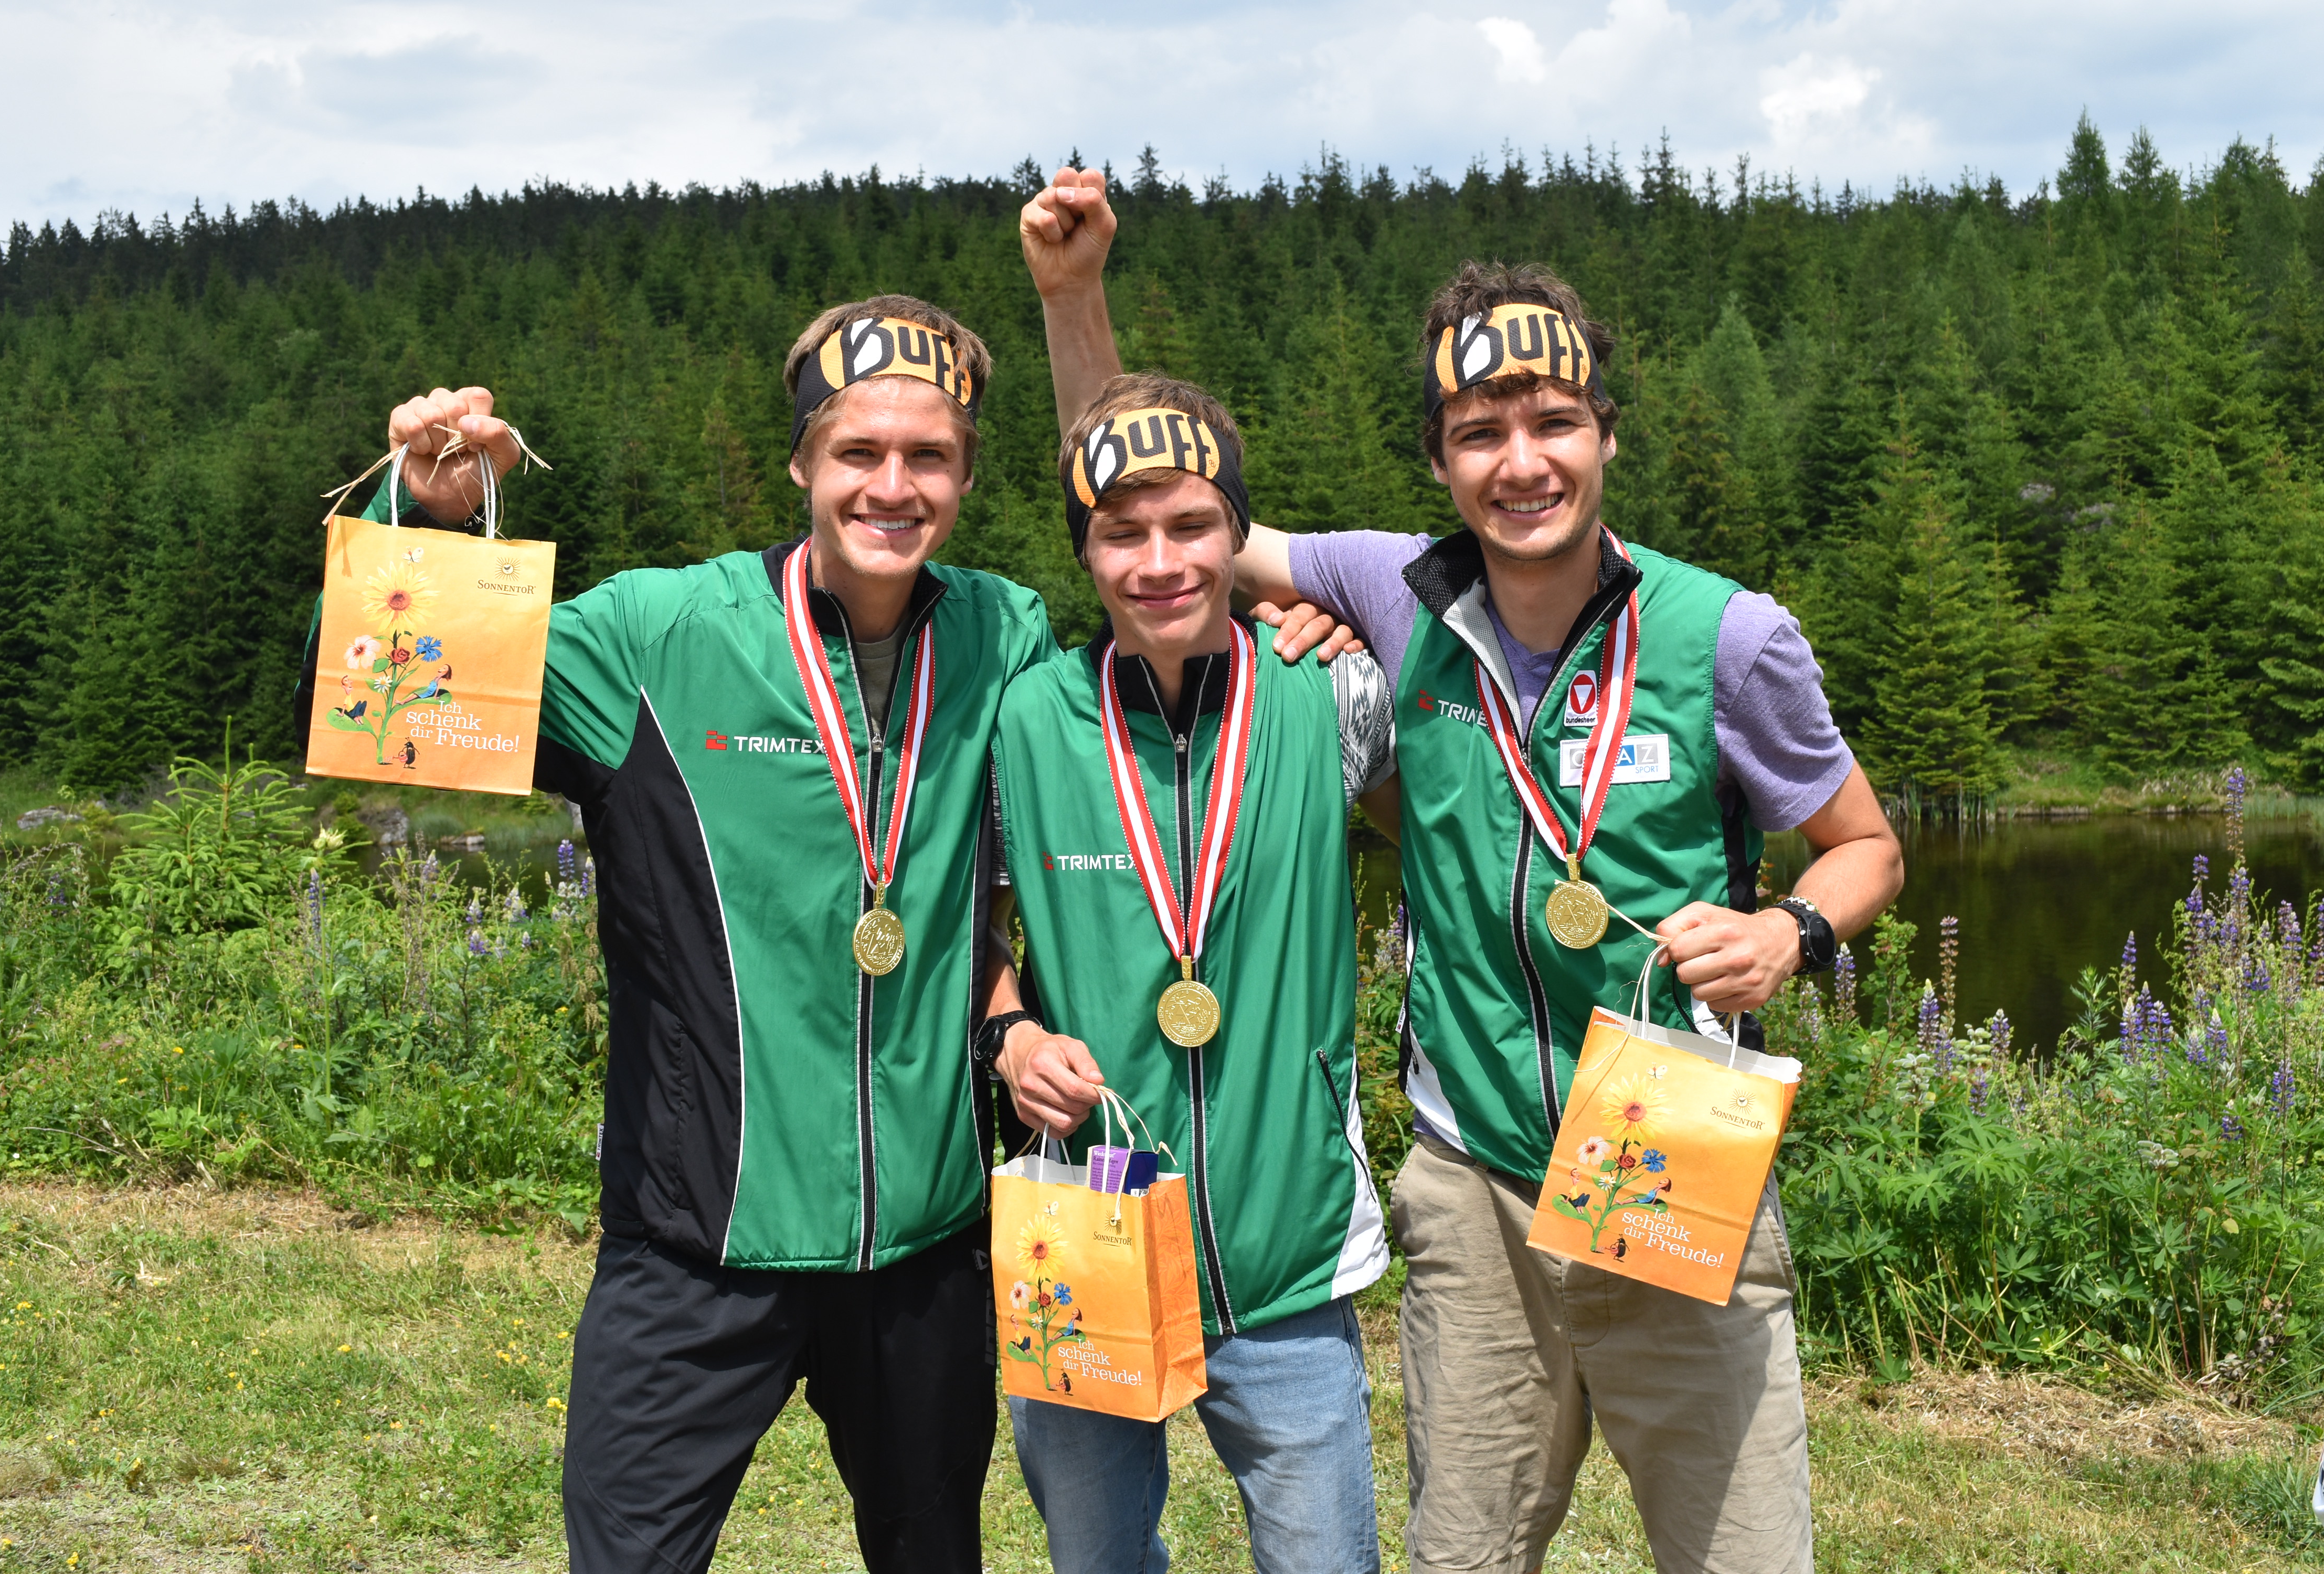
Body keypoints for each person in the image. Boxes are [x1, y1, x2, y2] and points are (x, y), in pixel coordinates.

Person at [291, 291, 1355, 1574]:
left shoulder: (1003, 640)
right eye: (858, 453)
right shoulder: (659, 639)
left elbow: (1143, 607)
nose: (892, 488)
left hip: (923, 1260)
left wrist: (1305, 616)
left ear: (965, 477)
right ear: (803, 462)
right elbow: (365, 690)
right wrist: (426, 513)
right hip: (698, 1247)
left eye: (930, 459)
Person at [1026, 168, 1905, 1574]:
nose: (1523, 460)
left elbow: (1866, 846)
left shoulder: (1730, 637)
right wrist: (1076, 298)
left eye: (1554, 423)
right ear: (1439, 461)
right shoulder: (1394, 589)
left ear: (1607, 434)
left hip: (1678, 1163)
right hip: (1477, 1185)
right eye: (1481, 431)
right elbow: (1150, 490)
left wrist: (1790, 930)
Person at [977, 361, 1395, 1573]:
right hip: (1086, 1233)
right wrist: (1008, 1034)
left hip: (1291, 1250)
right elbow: (960, 933)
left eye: (1192, 526)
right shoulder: (1023, 722)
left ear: (1238, 537)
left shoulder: (1332, 692)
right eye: (1123, 534)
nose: (1160, 561)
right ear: (1086, 553)